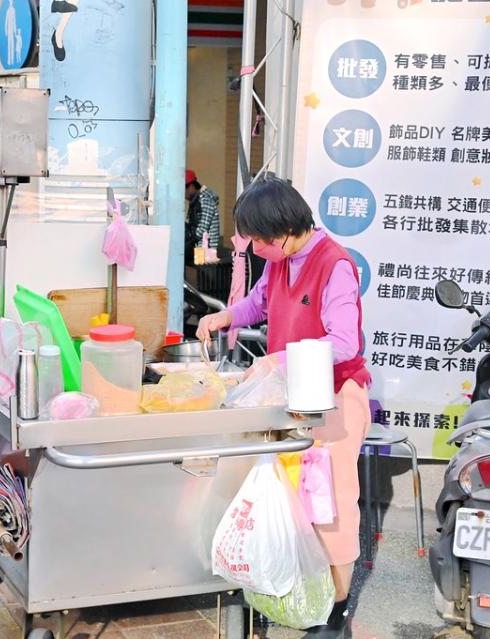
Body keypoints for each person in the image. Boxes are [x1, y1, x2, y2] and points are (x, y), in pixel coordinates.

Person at [196, 175, 370, 638]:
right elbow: (259, 303)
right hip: (292, 399)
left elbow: (344, 342)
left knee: (330, 503)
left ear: (285, 233)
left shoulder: (335, 265)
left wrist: (280, 358)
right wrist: (224, 316)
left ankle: (336, 612)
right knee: (291, 497)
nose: (251, 248)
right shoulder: (282, 261)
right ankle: (296, 589)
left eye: (256, 240)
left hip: (336, 398)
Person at [184, 169, 221, 264]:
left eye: (184, 190)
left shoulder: (205, 200)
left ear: (191, 186)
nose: (184, 195)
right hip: (199, 247)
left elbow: (202, 228)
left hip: (206, 250)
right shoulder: (196, 201)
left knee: (202, 277)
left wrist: (188, 235)